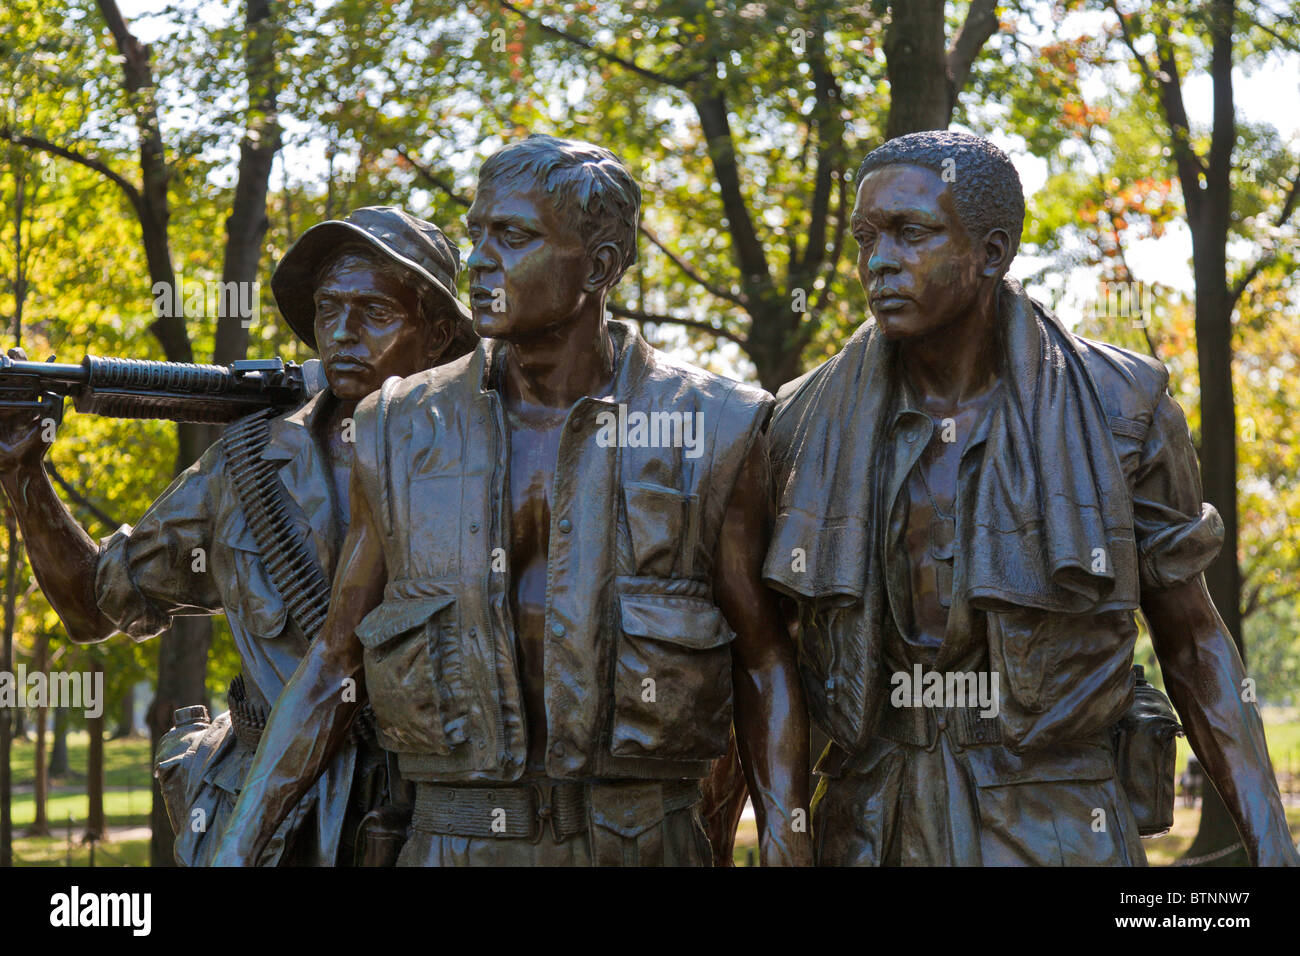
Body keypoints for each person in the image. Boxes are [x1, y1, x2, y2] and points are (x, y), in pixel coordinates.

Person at [215, 134, 812, 867]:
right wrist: (238, 846)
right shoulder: (398, 427)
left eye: (514, 236)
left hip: (640, 843)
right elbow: (334, 663)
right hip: (452, 842)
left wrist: (788, 842)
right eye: (475, 234)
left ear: (599, 266)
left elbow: (764, 658)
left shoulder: (714, 427)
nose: (479, 261)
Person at [762, 130, 1298, 866]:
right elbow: (761, 662)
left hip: (1057, 825)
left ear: (991, 252)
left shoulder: (1122, 407)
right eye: (867, 237)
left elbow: (1194, 641)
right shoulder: (801, 421)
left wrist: (1272, 847)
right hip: (869, 826)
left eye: (911, 233)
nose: (878, 262)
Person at [0, 206, 476, 865]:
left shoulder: (492, 464)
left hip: (430, 826)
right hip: (273, 829)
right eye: (329, 308)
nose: (342, 332)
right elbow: (90, 606)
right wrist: (24, 475)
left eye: (375, 311)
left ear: (438, 334)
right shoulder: (247, 463)